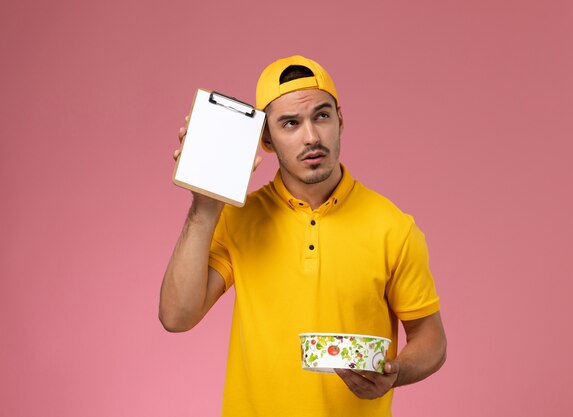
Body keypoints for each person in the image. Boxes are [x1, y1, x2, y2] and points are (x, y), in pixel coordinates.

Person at [159, 55, 447, 417]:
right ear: (266, 138)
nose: (311, 137)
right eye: (290, 123)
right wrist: (203, 210)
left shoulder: (393, 226)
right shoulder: (239, 218)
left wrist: (396, 372)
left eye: (322, 116)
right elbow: (176, 317)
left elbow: (431, 338)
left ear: (340, 120)